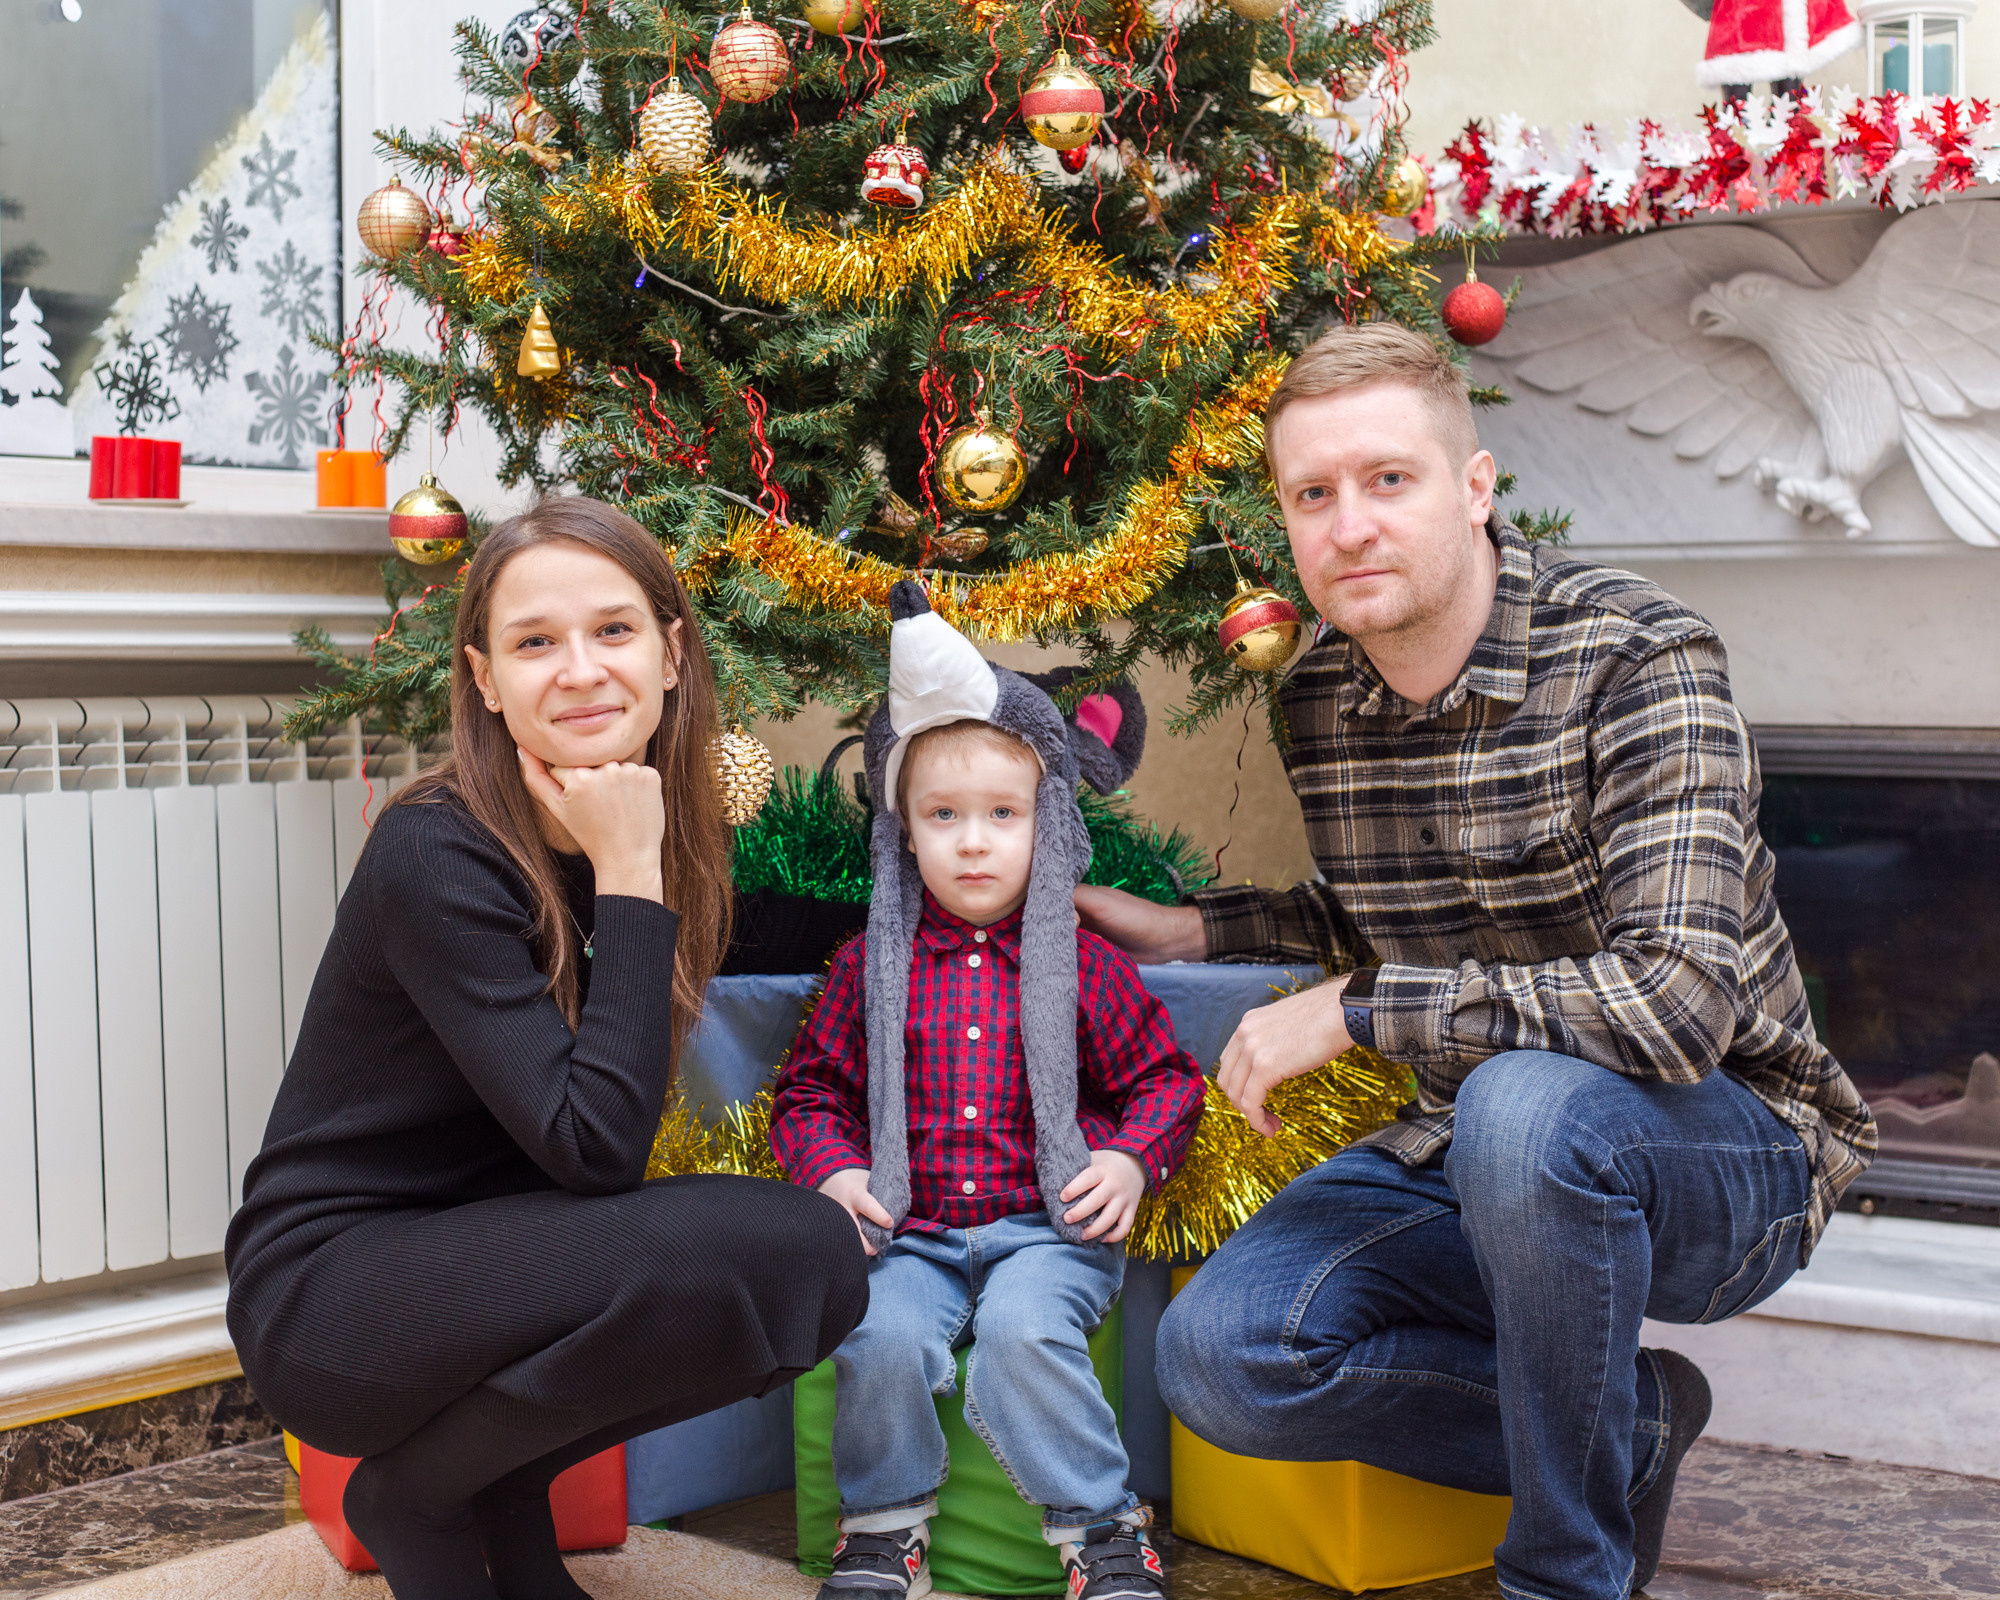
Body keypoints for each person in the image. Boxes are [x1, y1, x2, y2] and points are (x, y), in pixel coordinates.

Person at [1074, 323, 1875, 1600]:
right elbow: (1391, 912)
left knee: (1521, 1100)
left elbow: (1673, 1008)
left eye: (1387, 480)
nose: (1349, 526)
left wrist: (1363, 1013)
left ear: (1475, 486)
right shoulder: (1318, 698)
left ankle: (1562, 1576)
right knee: (1222, 1355)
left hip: (1732, 1149)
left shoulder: (1637, 658)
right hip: (1473, 1150)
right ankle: (1635, 1429)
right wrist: (1194, 930)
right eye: (1311, 496)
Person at [224, 498, 869, 1600]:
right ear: (483, 678)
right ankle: (416, 1495)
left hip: (491, 1259)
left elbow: (777, 926)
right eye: (534, 642)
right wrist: (629, 872)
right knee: (779, 1238)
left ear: (671, 654)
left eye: (613, 631)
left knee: (813, 1265)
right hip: (333, 1297)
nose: (579, 670)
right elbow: (595, 1150)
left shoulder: (643, 823)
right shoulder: (436, 851)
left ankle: (507, 1513)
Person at [771, 585, 1205, 1600]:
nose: (972, 842)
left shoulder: (1079, 962)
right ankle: (882, 1530)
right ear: (904, 834)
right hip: (909, 1230)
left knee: (1020, 1335)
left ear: (1041, 825)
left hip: (1042, 1229)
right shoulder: (867, 966)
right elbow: (809, 1092)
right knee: (874, 1332)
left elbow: (1162, 1080)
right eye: (944, 817)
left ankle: (1101, 1529)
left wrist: (1128, 1158)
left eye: (1000, 815)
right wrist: (831, 1171)